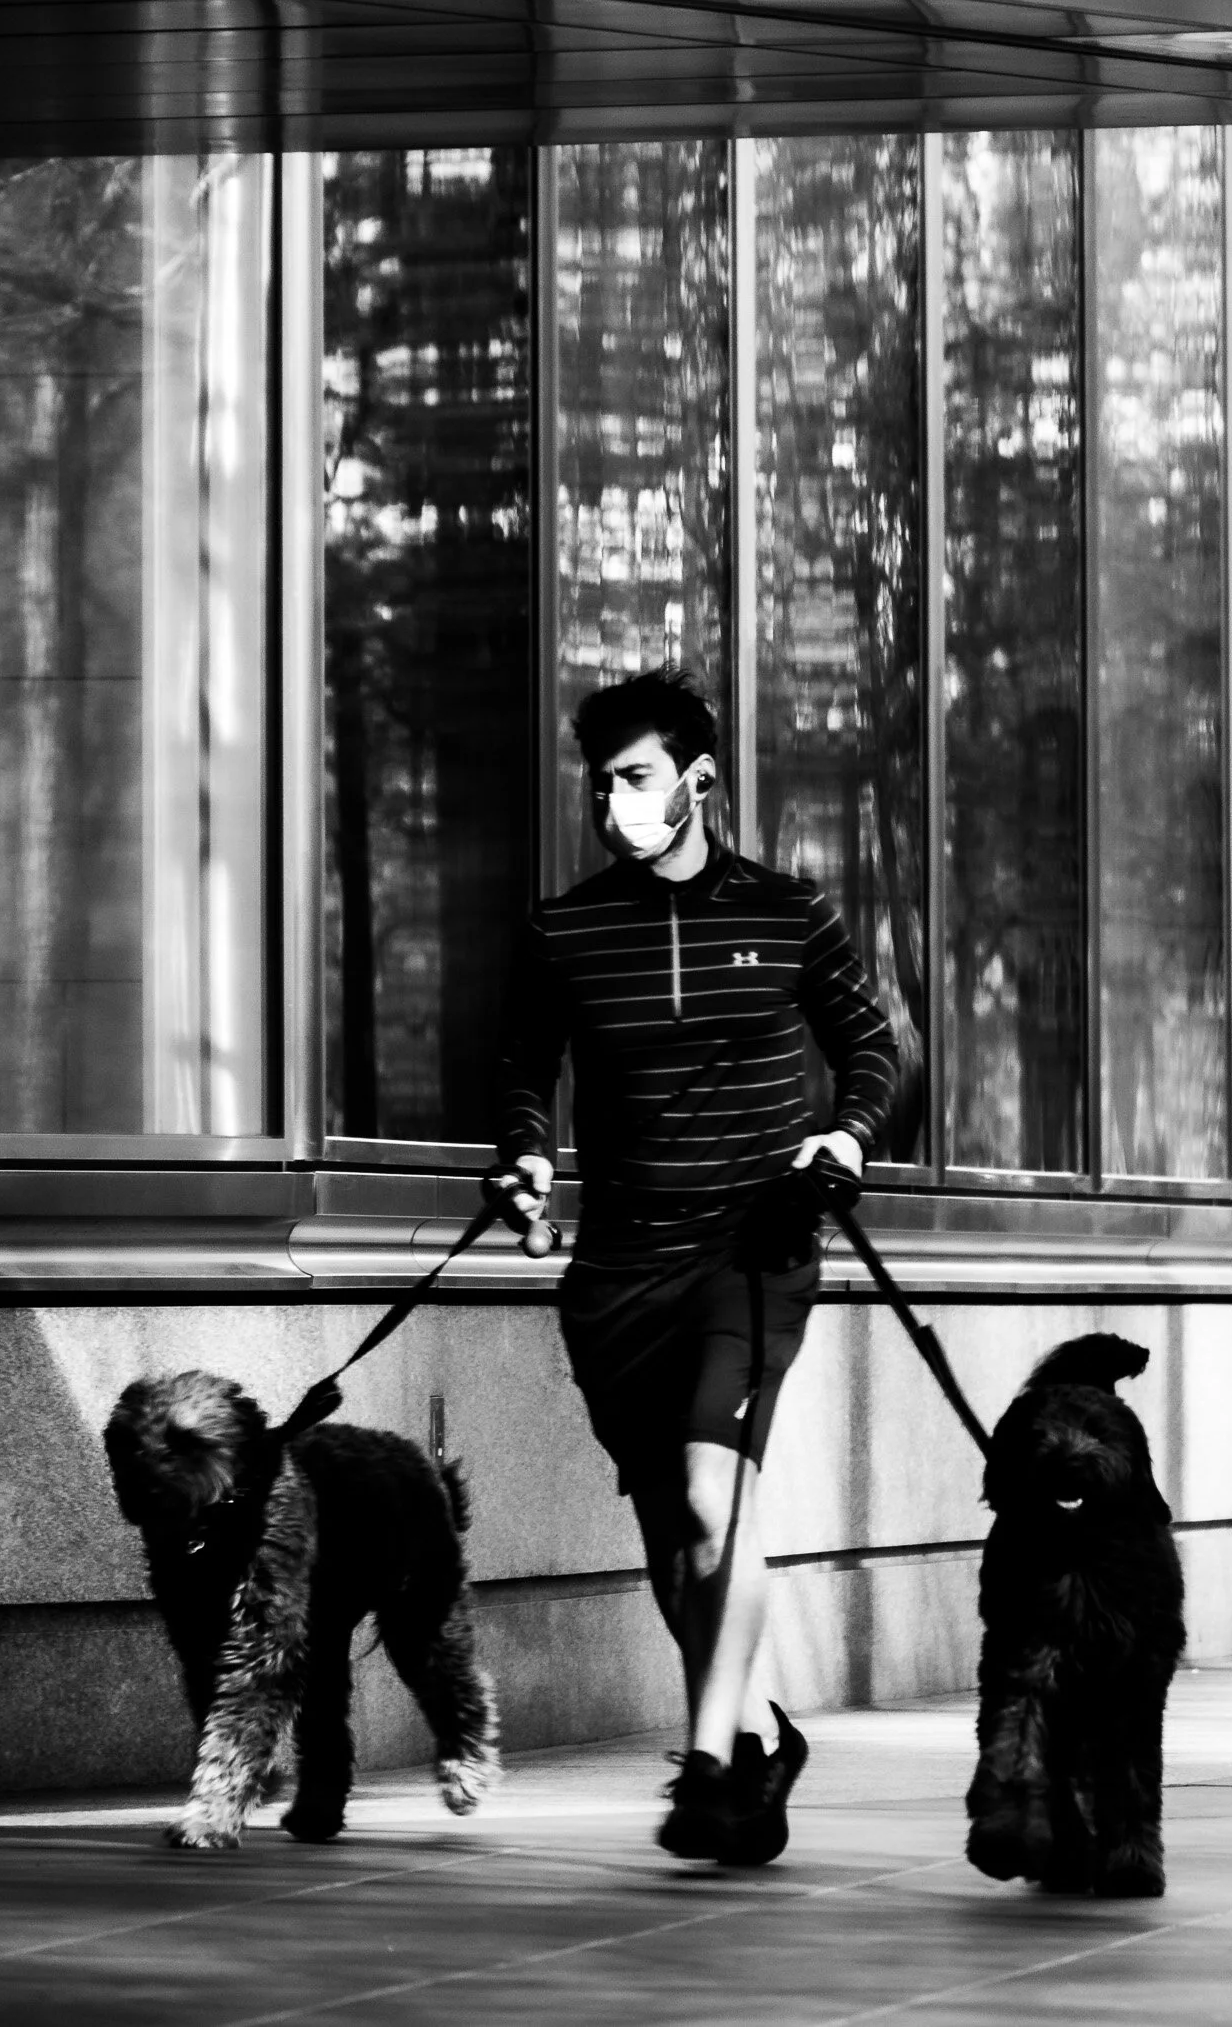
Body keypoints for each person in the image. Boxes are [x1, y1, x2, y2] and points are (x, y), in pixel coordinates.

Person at [492, 668, 897, 1865]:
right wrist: (525, 1156)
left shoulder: (788, 911)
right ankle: (757, 1733)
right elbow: (523, 1070)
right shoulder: (564, 930)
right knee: (679, 1542)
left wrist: (844, 1138)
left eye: (634, 775)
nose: (610, 798)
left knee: (718, 1506)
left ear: (698, 781)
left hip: (751, 1249)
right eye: (600, 779)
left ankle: (709, 1765)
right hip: (619, 1270)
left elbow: (870, 1045)